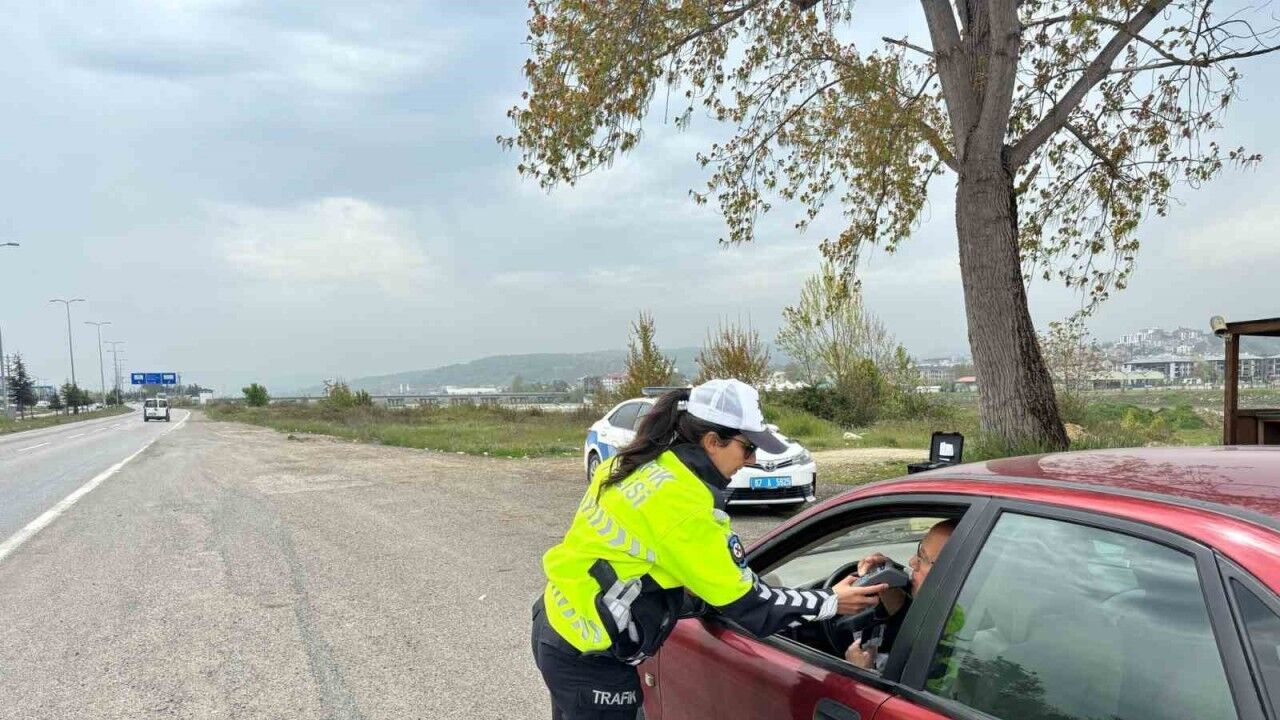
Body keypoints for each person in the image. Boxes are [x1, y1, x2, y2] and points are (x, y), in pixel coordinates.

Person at [532, 379, 886, 719]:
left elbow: (631, 555)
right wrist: (831, 601)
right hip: (592, 657)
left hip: (557, 623)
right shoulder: (685, 505)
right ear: (713, 441)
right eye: (748, 448)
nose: (751, 460)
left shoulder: (633, 465)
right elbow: (751, 606)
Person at [844, 518, 957, 671]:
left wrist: (861, 672)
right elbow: (907, 615)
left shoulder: (942, 645)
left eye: (923, 558)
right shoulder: (948, 610)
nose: (912, 562)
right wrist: (887, 576)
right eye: (919, 550)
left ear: (952, 572)